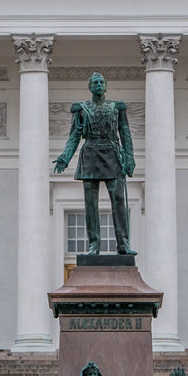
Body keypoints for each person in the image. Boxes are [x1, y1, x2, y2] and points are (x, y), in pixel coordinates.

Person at [53, 71, 134, 255]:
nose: (98, 85)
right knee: (91, 204)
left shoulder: (117, 108)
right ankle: (94, 245)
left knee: (118, 200)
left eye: (101, 82)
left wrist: (130, 158)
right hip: (90, 154)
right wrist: (64, 158)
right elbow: (73, 137)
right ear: (90, 87)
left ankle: (123, 243)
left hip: (112, 154)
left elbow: (125, 134)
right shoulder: (81, 109)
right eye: (95, 82)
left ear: (105, 86)